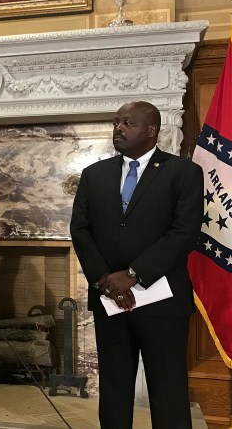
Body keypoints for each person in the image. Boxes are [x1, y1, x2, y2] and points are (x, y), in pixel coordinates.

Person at [70, 101, 203, 429]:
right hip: (109, 301)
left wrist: (133, 275)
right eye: (116, 122)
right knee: (114, 389)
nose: (118, 128)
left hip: (163, 303)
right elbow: (80, 230)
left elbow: (184, 233)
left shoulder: (183, 172)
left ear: (152, 130)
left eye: (127, 123)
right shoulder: (94, 174)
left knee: (168, 390)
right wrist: (104, 279)